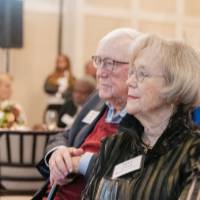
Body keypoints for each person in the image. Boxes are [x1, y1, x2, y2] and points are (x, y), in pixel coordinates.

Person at [82, 35, 200, 200]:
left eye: (142, 74)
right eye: (131, 72)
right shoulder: (114, 145)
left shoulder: (193, 152)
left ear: (175, 85)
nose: (129, 82)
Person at [36, 28, 142, 199]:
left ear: (136, 68)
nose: (100, 72)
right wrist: (58, 153)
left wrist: (80, 162)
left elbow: (133, 171)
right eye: (98, 62)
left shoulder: (144, 113)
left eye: (110, 63)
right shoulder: (97, 100)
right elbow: (66, 134)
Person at [44, 54, 75, 125]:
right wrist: (60, 88)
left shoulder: (71, 78)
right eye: (59, 61)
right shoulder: (51, 77)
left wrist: (64, 92)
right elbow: (47, 88)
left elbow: (72, 92)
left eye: (63, 61)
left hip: (66, 107)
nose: (61, 63)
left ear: (67, 63)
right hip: (53, 105)